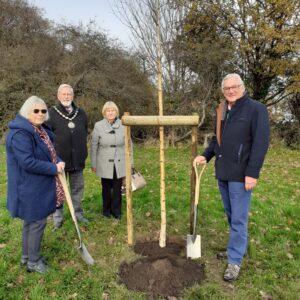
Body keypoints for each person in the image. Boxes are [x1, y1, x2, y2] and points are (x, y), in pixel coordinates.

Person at [194, 73, 269, 281]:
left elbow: (261, 144)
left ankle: (235, 260)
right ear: (223, 91)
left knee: (238, 218)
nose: (231, 91)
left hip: (241, 174)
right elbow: (217, 140)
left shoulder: (256, 109)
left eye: (234, 87)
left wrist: (252, 173)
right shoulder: (221, 109)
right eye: (227, 88)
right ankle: (238, 248)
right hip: (223, 172)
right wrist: (205, 156)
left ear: (242, 87)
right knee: (231, 215)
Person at [6, 96, 65, 273]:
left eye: (43, 111)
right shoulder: (20, 134)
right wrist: (54, 168)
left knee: (31, 222)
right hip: (29, 187)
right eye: (36, 110)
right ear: (27, 112)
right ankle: (33, 261)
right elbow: (27, 162)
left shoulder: (40, 130)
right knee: (37, 222)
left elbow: (50, 153)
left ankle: (27, 256)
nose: (40, 114)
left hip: (37, 184)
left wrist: (58, 161)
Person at [47, 84, 88, 228]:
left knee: (77, 188)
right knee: (58, 191)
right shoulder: (51, 113)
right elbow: (46, 138)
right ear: (58, 96)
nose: (66, 97)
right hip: (59, 161)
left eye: (69, 94)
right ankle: (57, 218)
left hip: (77, 160)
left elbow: (85, 132)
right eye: (63, 94)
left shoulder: (81, 113)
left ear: (73, 96)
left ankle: (78, 213)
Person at [90, 101, 127, 219]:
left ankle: (116, 212)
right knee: (106, 188)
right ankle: (106, 211)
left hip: (119, 161)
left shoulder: (124, 124)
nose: (110, 113)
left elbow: (129, 146)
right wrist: (93, 163)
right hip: (104, 162)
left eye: (113, 110)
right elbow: (94, 146)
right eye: (108, 111)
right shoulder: (98, 125)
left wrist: (130, 164)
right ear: (104, 113)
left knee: (117, 188)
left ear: (116, 112)